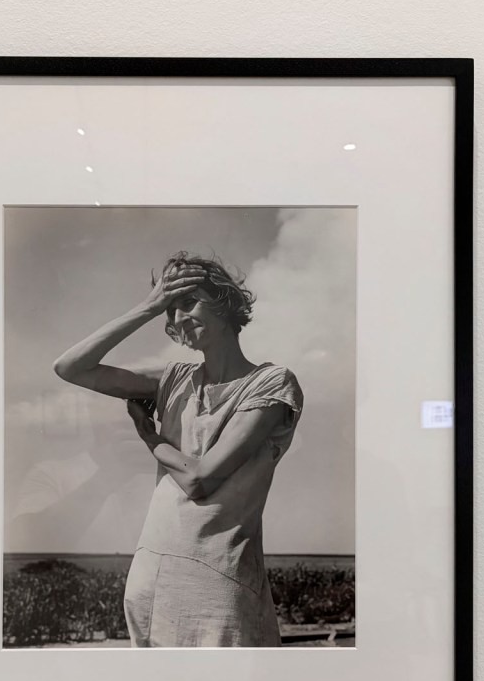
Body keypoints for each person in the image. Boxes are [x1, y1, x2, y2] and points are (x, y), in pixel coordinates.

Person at [53, 251, 303, 647]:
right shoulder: (173, 379)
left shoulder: (271, 384)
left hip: (219, 583)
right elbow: (70, 367)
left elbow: (200, 479)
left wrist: (151, 438)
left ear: (225, 302)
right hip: (151, 575)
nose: (177, 318)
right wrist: (147, 308)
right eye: (169, 311)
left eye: (188, 302)